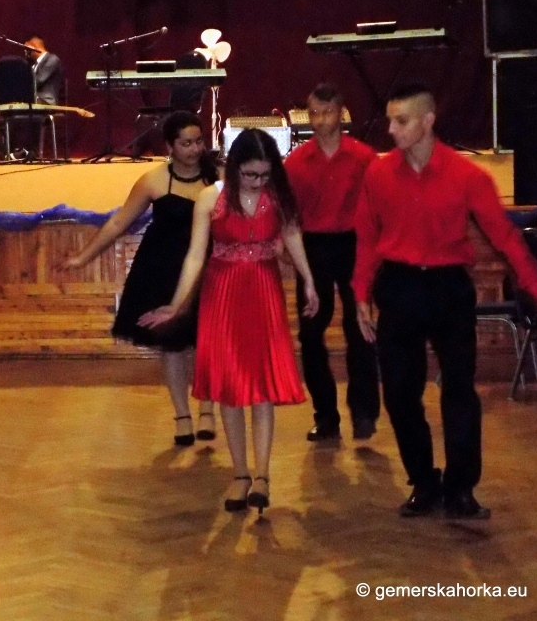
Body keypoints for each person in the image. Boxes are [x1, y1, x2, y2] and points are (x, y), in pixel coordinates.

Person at [354, 84, 537, 520]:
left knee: (459, 390)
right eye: (390, 120)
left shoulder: (467, 175)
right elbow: (366, 236)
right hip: (399, 286)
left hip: (448, 289)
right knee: (400, 392)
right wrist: (360, 292)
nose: (391, 130)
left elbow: (506, 238)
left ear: (428, 121)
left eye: (401, 121)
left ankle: (461, 488)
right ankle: (424, 482)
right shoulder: (378, 174)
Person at [141, 129, 319, 514]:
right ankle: (240, 474)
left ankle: (262, 476)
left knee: (262, 386)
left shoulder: (278, 195)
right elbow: (195, 255)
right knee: (230, 387)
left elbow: (292, 235)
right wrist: (176, 304)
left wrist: (308, 280)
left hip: (264, 292)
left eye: (264, 174)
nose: (257, 181)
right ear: (235, 167)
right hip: (222, 294)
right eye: (250, 174)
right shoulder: (211, 197)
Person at [61, 112, 219, 446]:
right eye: (186, 143)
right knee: (172, 344)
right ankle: (182, 416)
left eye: (199, 142)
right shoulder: (153, 180)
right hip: (161, 267)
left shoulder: (217, 177)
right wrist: (83, 257)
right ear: (170, 147)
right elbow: (119, 223)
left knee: (208, 341)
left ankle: (208, 407)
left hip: (208, 266)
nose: (194, 149)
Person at [284, 84, 379, 442]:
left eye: (327, 113)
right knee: (311, 332)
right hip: (314, 246)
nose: (320, 120)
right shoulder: (296, 162)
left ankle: (364, 412)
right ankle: (325, 416)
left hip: (354, 243)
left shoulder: (364, 157)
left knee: (361, 328)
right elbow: (289, 214)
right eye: (313, 113)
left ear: (341, 114)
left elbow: (377, 209)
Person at [25, 36, 64, 105]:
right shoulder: (34, 65)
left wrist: (21, 87)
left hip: (47, 101)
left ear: (33, 47)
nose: (25, 52)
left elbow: (38, 80)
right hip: (35, 101)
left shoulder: (52, 59)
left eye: (27, 49)